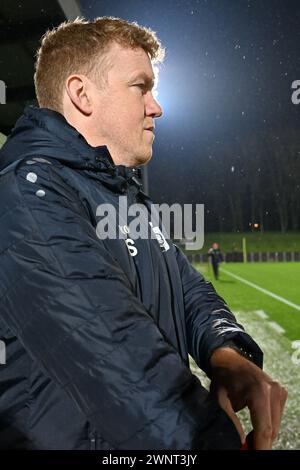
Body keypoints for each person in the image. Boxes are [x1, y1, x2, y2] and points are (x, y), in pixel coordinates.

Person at [0, 17, 287, 450]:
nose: (157, 107)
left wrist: (226, 352)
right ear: (82, 94)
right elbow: (118, 362)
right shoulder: (26, 191)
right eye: (141, 87)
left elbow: (189, 290)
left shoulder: (123, 197)